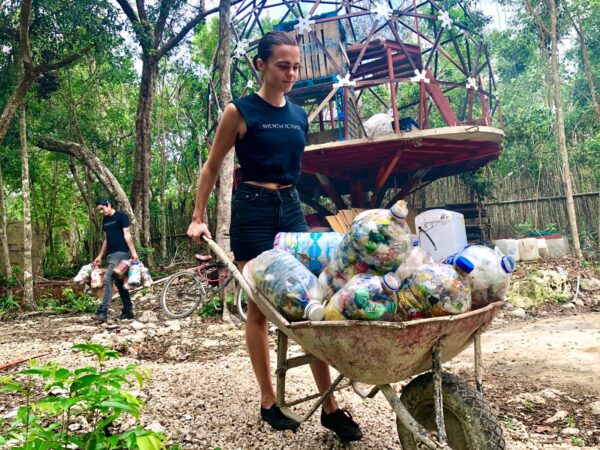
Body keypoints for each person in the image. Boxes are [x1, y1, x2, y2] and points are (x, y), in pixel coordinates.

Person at [187, 31, 363, 442]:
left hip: (291, 209)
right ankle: (269, 400)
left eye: (295, 66)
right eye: (283, 65)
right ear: (260, 65)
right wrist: (199, 216)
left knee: (313, 301)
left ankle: (330, 407)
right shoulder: (241, 111)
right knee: (262, 306)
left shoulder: (299, 115)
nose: (291, 73)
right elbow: (212, 167)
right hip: (253, 212)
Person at [92, 198, 138, 322]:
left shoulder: (121, 216)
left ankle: (102, 312)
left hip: (122, 253)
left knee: (107, 278)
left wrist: (133, 253)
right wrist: (100, 256)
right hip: (111, 255)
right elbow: (106, 240)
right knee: (118, 283)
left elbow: (127, 235)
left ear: (108, 204)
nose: (101, 212)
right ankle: (128, 311)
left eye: (102, 208)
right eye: (99, 210)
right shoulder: (105, 220)